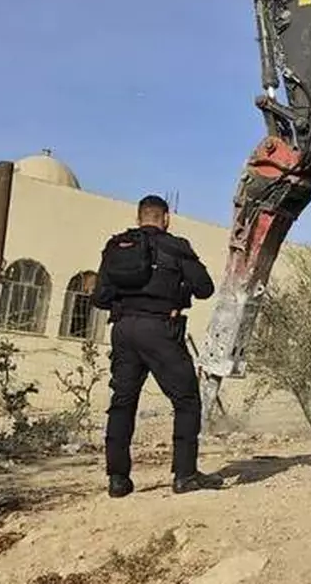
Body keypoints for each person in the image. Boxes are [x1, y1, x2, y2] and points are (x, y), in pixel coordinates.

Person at [93, 194, 225, 497]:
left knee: (122, 403)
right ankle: (184, 475)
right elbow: (205, 288)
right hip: (160, 330)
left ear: (139, 217)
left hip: (123, 330)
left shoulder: (116, 246)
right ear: (166, 218)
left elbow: (100, 297)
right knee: (187, 401)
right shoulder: (175, 246)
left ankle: (117, 480)